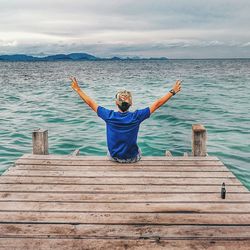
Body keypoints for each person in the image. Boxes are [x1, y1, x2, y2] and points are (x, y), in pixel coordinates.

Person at [70, 77, 182, 163]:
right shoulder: (137, 116)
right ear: (131, 103)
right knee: (139, 150)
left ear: (116, 103)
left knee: (109, 150)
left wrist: (78, 89)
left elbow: (90, 102)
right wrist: (173, 91)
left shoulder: (109, 116)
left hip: (114, 158)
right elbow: (157, 104)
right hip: (132, 158)